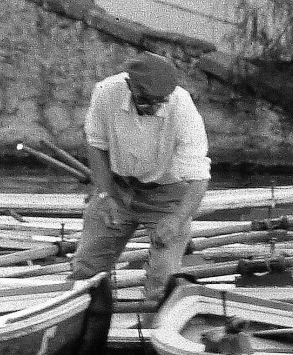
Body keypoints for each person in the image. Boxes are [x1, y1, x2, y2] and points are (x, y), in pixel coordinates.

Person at [70, 51, 210, 306]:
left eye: (161, 101)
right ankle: (85, 322)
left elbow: (199, 177)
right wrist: (104, 193)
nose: (155, 107)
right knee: (86, 266)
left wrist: (177, 219)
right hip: (118, 186)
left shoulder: (182, 107)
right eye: (147, 100)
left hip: (168, 192)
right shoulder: (106, 92)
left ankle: (152, 328)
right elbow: (96, 145)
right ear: (130, 85)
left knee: (163, 279)